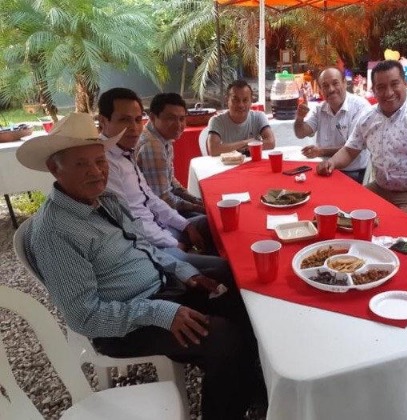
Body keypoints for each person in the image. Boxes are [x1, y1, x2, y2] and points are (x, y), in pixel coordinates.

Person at [16, 112, 265, 420]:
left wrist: (186, 272)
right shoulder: (55, 232)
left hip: (162, 289)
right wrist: (160, 313)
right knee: (224, 337)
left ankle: (250, 385)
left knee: (238, 298)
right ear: (55, 168)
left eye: (100, 161)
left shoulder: (106, 199)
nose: (96, 171)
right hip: (124, 325)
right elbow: (85, 316)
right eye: (81, 164)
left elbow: (144, 246)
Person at [97, 87, 217, 265]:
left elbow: (151, 197)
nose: (134, 128)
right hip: (149, 244)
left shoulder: (126, 151)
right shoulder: (104, 162)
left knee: (212, 223)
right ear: (103, 121)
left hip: (159, 226)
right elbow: (131, 221)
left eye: (137, 120)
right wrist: (174, 242)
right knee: (222, 267)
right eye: (124, 120)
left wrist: (187, 224)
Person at [317, 60, 407, 217]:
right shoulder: (368, 117)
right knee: (341, 212)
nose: (389, 92)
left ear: (405, 83)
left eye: (394, 84)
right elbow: (350, 151)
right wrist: (331, 163)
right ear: (373, 90)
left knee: (395, 226)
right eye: (381, 87)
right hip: (379, 189)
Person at [294, 67, 371, 183]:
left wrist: (321, 151)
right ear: (320, 90)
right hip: (324, 171)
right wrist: (300, 118)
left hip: (353, 173)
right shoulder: (320, 109)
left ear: (345, 83)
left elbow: (352, 148)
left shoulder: (360, 107)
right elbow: (300, 133)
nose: (331, 89)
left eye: (335, 83)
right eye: (325, 86)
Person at [136, 92, 205, 218]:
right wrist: (198, 207)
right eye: (170, 118)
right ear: (153, 117)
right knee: (210, 221)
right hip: (153, 215)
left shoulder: (162, 137)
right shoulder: (153, 146)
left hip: (162, 207)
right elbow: (163, 199)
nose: (178, 125)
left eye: (182, 119)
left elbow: (170, 181)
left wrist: (195, 200)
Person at [206, 80, 276, 156]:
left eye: (245, 100)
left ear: (251, 101)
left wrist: (234, 148)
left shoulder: (259, 117)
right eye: (235, 100)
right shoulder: (217, 121)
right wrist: (246, 142)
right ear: (227, 100)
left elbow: (271, 142)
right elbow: (213, 149)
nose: (241, 105)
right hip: (227, 162)